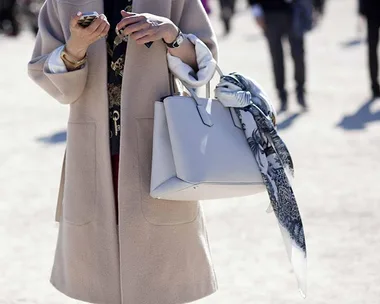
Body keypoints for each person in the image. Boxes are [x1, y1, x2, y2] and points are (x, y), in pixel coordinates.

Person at [27, 0, 218, 303]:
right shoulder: (61, 3)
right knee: (98, 280)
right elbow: (52, 81)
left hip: (157, 150)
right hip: (93, 153)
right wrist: (74, 48)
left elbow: (204, 66)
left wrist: (172, 35)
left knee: (159, 279)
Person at [248, 0, 324, 112]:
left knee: (298, 56)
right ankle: (282, 95)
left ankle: (301, 93)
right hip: (270, 13)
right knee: (277, 58)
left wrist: (316, 7)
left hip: (294, 11)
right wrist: (256, 11)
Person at [359, 0, 380, 99]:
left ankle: (374, 84)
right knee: (372, 48)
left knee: (372, 48)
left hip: (371, 9)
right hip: (371, 10)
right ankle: (374, 84)